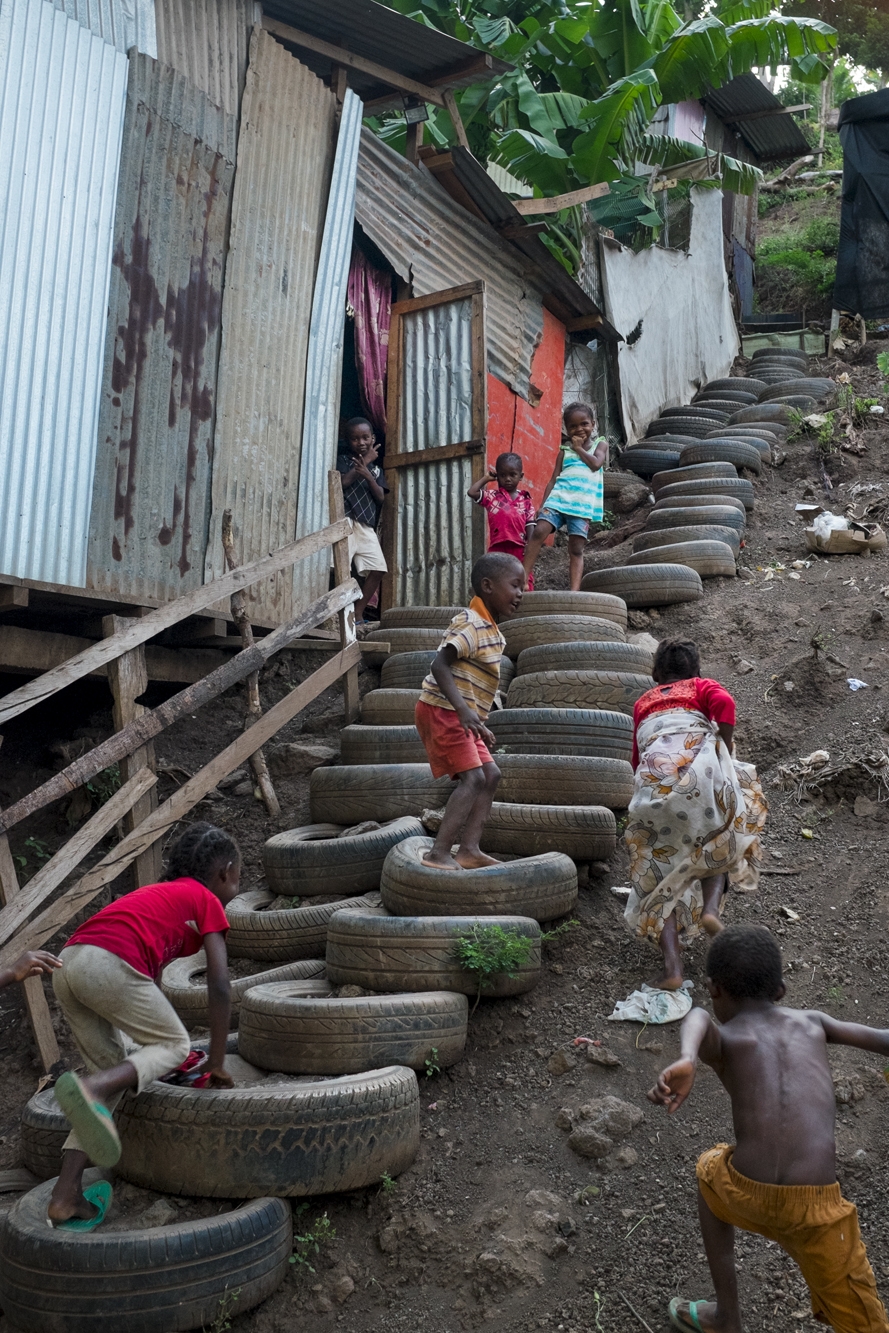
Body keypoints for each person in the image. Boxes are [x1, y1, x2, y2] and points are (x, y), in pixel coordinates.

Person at [649, 924, 889, 1333]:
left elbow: (698, 1017)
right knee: (864, 1321)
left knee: (709, 1174)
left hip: (745, 1190)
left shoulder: (726, 1038)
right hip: (818, 1209)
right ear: (780, 990)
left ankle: (727, 1317)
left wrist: (688, 1057)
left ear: (714, 988)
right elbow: (884, 1038)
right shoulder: (813, 1022)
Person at [47, 823, 240, 1230]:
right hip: (107, 962)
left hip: (70, 964)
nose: (237, 888)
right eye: (238, 877)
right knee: (172, 1043)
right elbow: (220, 985)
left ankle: (64, 1196)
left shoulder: (159, 898)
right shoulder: (205, 899)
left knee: (112, 1079)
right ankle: (92, 1087)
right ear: (224, 872)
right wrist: (217, 1061)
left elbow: (142, 988)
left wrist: (151, 1057)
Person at [624, 640, 767, 990]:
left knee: (657, 877)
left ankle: (673, 970)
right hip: (699, 782)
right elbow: (726, 704)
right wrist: (725, 748)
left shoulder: (643, 702)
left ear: (656, 674)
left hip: (654, 789)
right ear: (696, 671)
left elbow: (635, 757)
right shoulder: (702, 687)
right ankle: (710, 912)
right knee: (718, 840)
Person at [414, 552, 524, 871]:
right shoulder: (471, 623)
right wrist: (463, 711)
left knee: (491, 774)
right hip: (442, 709)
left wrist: (477, 720)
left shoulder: (492, 630)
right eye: (514, 585)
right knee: (473, 778)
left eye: (523, 587)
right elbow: (439, 664)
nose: (520, 593)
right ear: (488, 586)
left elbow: (470, 683)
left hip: (461, 714)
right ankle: (438, 853)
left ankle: (469, 849)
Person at [522, 402, 607, 591]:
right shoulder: (564, 452)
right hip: (558, 500)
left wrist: (578, 448)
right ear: (567, 430)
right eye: (573, 426)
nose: (579, 429)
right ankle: (522, 578)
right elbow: (553, 480)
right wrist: (542, 505)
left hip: (581, 505)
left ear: (593, 424)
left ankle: (574, 592)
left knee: (576, 549)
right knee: (538, 532)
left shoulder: (600, 444)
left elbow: (596, 464)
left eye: (584, 424)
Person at [336, 416, 389, 622]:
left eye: (365, 437)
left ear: (372, 438)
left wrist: (368, 473)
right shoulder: (344, 461)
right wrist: (364, 463)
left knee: (378, 569)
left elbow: (381, 497)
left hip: (366, 523)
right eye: (355, 439)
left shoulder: (377, 470)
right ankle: (339, 613)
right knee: (342, 568)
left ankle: (357, 612)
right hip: (346, 520)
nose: (361, 442)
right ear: (348, 441)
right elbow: (341, 483)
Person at [467, 452, 537, 589]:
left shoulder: (526, 501)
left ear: (521, 476)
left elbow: (531, 532)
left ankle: (527, 607)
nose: (508, 479)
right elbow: (472, 492)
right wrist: (486, 478)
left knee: (523, 581)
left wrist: (530, 547)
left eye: (512, 475)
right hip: (497, 547)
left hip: (519, 548)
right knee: (496, 580)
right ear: (497, 476)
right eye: (502, 475)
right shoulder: (492, 497)